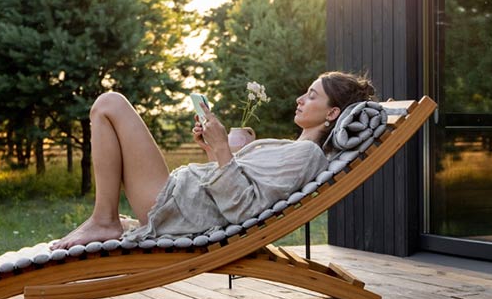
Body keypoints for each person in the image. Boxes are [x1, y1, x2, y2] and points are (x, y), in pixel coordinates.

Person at [51, 71, 376, 249]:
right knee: (109, 106)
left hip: (177, 208)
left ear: (332, 113)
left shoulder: (307, 155)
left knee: (109, 104)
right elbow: (234, 183)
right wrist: (212, 148)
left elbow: (242, 209)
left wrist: (222, 146)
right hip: (180, 198)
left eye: (312, 96)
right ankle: (104, 218)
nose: (300, 99)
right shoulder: (292, 148)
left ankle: (104, 219)